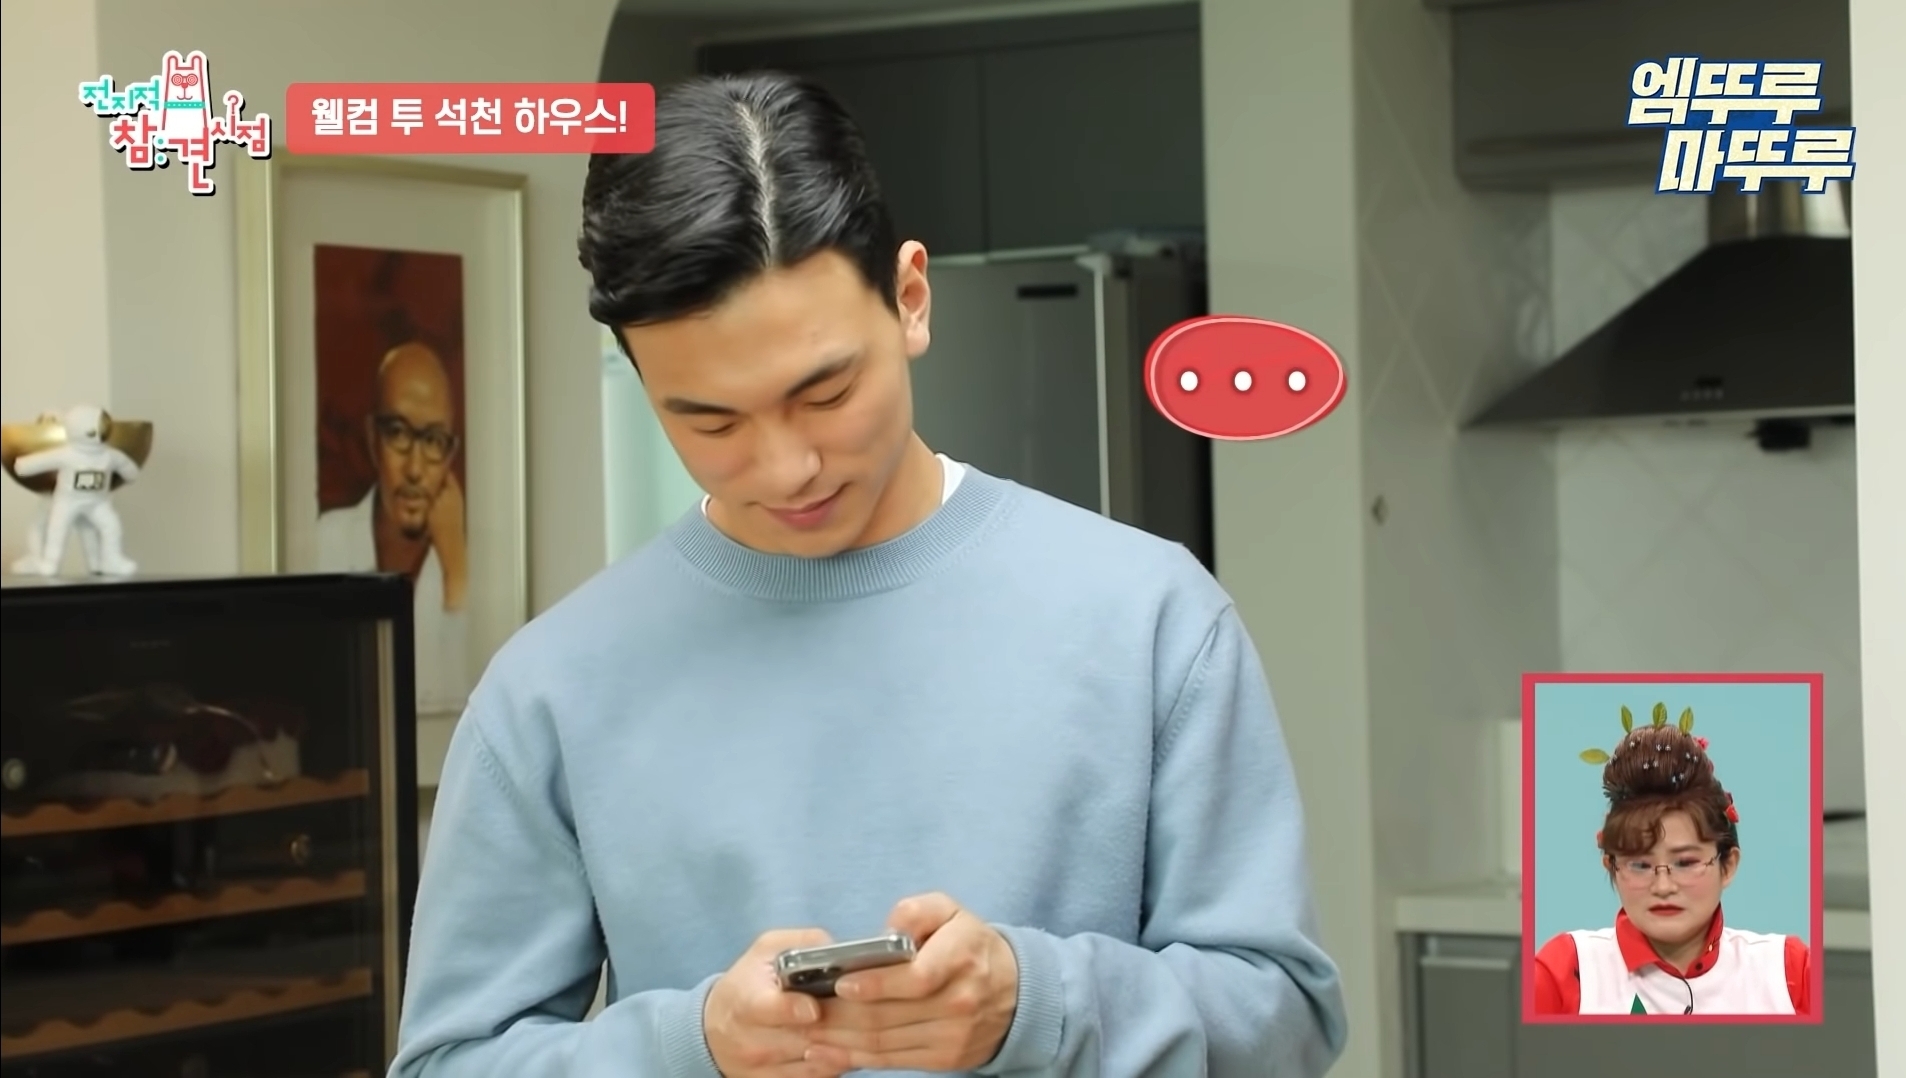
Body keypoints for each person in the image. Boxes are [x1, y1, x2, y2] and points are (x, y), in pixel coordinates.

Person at [388, 72, 1347, 1078]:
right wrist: (693, 1046)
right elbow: (449, 1064)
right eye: (710, 420)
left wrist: (1037, 1005)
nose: (786, 467)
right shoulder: (553, 687)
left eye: (826, 392)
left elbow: (1284, 1017)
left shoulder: (1150, 619)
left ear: (911, 299)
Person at [1531, 718, 1810, 1016]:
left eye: (1686, 862)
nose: (1663, 887)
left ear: (1728, 865)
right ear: (1611, 867)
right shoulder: (1565, 972)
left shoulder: (1789, 971)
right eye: (1640, 864)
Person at [315, 341, 469, 716]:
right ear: (373, 439)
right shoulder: (322, 544)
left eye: (433, 441)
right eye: (398, 433)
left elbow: (470, 707)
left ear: (449, 455)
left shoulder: (471, 567)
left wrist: (456, 575)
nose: (415, 469)